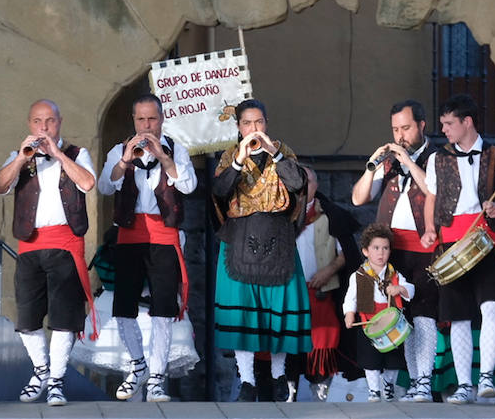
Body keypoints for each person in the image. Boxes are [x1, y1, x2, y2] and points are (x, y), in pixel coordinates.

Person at [0, 99, 97, 407]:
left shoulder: (77, 154)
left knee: (64, 319)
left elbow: (88, 183)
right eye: (38, 122)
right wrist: (21, 159)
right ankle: (41, 370)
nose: (44, 127)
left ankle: (57, 381)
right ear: (29, 125)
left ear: (59, 122)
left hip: (64, 246)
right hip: (30, 246)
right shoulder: (18, 156)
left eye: (49, 121)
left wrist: (58, 154)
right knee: (27, 318)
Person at [423, 94, 495, 404]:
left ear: (468, 122)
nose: (445, 130)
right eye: (443, 124)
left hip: (486, 240)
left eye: (449, 123)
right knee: (459, 315)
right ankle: (464, 384)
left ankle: (485, 379)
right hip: (452, 241)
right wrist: (429, 230)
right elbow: (431, 197)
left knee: (491, 307)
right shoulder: (437, 158)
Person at [96, 94, 195, 403]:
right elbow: (103, 186)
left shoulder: (177, 150)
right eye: (141, 119)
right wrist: (126, 160)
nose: (146, 125)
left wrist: (165, 159)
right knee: (123, 307)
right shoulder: (118, 150)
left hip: (164, 234)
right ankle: (138, 364)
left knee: (163, 310)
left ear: (162, 119)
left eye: (151, 119)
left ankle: (156, 378)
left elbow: (189, 186)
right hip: (129, 233)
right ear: (134, 121)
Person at [211, 98, 311, 402]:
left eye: (259, 122)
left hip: (278, 236)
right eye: (247, 123)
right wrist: (240, 160)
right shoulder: (231, 155)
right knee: (244, 314)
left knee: (276, 310)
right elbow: (219, 191)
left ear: (266, 124)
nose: (254, 128)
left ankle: (280, 377)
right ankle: (247, 381)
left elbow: (297, 183)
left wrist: (275, 153)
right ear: (239, 128)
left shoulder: (284, 152)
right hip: (240, 237)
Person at [349, 98, 441, 403]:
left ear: (421, 126)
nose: (399, 135)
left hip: (424, 247)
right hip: (390, 250)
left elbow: (434, 190)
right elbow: (359, 198)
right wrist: (371, 165)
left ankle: (424, 381)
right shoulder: (387, 163)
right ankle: (404, 382)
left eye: (405, 128)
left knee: (424, 313)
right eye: (394, 129)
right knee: (396, 314)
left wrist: (408, 160)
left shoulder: (437, 156)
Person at [289, 166, 349, 401]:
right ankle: (289, 391)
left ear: (317, 185)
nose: (304, 186)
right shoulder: (282, 216)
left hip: (320, 291)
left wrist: (329, 270)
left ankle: (320, 390)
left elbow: (347, 254)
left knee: (323, 341)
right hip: (289, 292)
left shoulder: (331, 216)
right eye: (299, 181)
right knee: (290, 342)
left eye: (309, 181)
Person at [343, 223, 416, 402]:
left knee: (394, 359)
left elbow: (411, 290)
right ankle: (374, 389)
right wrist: (349, 314)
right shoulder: (358, 276)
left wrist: (399, 289)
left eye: (385, 248)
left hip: (392, 324)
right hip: (369, 323)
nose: (381, 253)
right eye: (376, 248)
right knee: (370, 359)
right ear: (366, 251)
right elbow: (350, 298)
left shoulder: (394, 274)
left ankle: (388, 383)